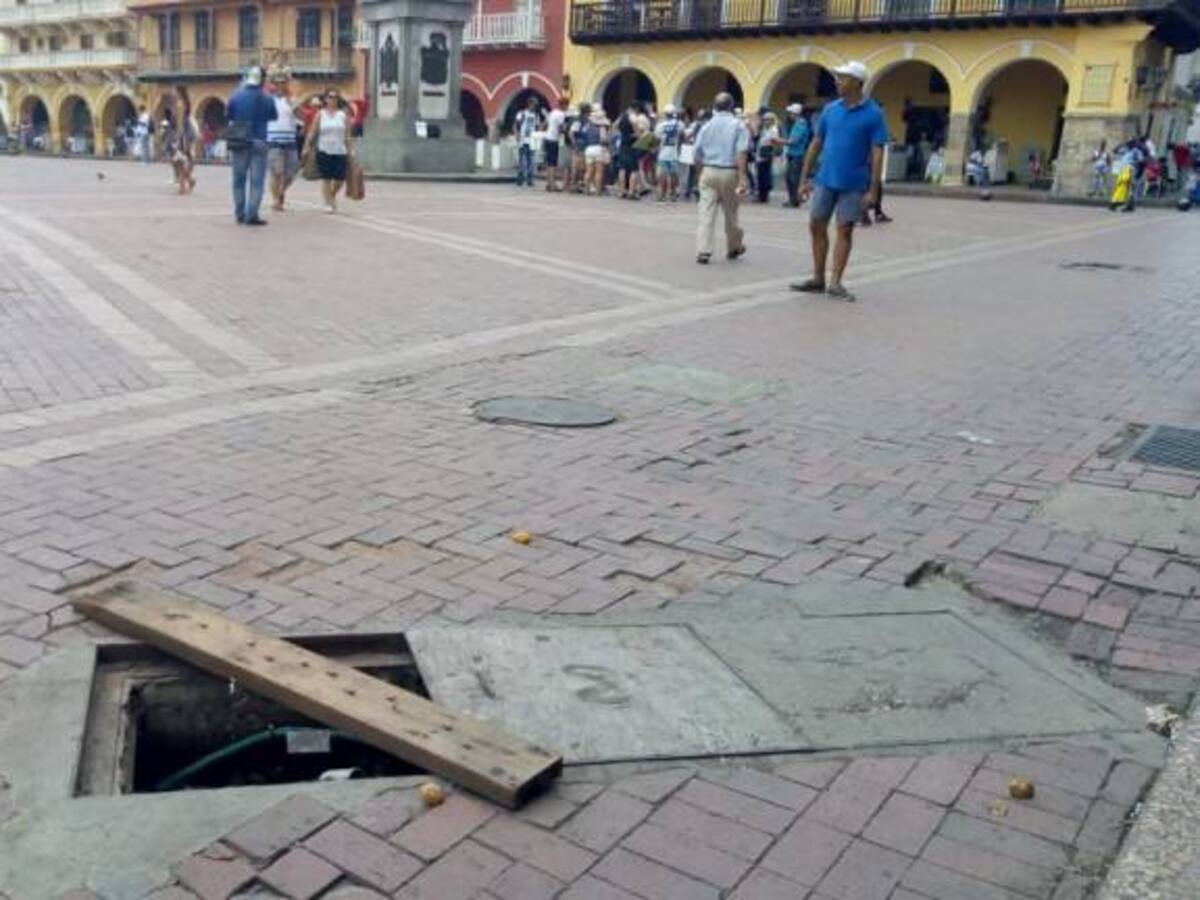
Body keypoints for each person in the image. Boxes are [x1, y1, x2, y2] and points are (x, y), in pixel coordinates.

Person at [793, 61, 888, 301]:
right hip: (825, 179)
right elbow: (816, 143)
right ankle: (818, 277)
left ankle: (835, 281)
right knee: (815, 225)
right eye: (837, 77)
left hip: (854, 183)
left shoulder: (874, 114)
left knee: (844, 230)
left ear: (857, 82)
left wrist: (873, 191)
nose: (837, 81)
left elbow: (877, 153)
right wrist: (804, 178)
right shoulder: (830, 109)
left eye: (843, 77)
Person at [692, 91, 749, 265]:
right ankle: (733, 246)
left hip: (709, 170)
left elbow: (696, 153)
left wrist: (700, 172)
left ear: (714, 106)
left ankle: (703, 251)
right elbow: (741, 152)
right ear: (731, 106)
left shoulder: (706, 126)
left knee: (706, 213)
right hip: (729, 171)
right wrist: (742, 176)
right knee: (731, 213)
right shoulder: (738, 125)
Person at [226, 65, 277, 225]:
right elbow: (273, 116)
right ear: (261, 80)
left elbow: (229, 115)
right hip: (259, 141)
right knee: (256, 182)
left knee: (238, 180)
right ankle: (251, 214)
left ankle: (240, 213)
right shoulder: (267, 97)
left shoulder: (235, 96)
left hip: (240, 141)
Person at [305, 88, 353, 214]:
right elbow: (313, 131)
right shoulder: (320, 114)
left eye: (335, 97)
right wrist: (307, 146)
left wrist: (351, 150)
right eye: (330, 97)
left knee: (340, 179)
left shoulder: (343, 115)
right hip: (324, 149)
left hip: (340, 150)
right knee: (326, 178)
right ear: (325, 99)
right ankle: (328, 203)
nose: (332, 99)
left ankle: (331, 196)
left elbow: (348, 134)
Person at [266, 68, 301, 211]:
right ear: (273, 84)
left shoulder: (292, 100)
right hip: (273, 140)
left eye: (283, 83)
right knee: (277, 172)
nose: (280, 85)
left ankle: (280, 192)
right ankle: (276, 200)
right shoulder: (268, 100)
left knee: (292, 172)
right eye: (277, 83)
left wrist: (294, 106)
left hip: (290, 141)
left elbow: (302, 117)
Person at [168, 85, 197, 195]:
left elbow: (179, 123)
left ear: (178, 92)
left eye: (174, 90)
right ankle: (188, 181)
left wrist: (177, 139)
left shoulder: (180, 104)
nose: (172, 92)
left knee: (179, 160)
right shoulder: (182, 103)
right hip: (184, 134)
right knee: (180, 161)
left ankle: (184, 185)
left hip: (181, 135)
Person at [654, 104, 684, 201]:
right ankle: (673, 193)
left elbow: (657, 139)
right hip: (674, 153)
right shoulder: (679, 124)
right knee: (674, 174)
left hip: (663, 153)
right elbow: (682, 136)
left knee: (662, 175)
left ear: (665, 114)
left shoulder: (660, 126)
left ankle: (662, 194)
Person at [783, 103, 810, 207]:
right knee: (789, 177)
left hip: (797, 154)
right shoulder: (796, 124)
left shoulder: (801, 124)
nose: (789, 115)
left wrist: (780, 141)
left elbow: (794, 141)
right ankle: (792, 199)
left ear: (795, 114)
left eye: (790, 113)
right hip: (792, 153)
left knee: (794, 178)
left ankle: (795, 200)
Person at [755, 111, 782, 204]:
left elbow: (774, 143)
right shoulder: (765, 129)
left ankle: (764, 196)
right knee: (761, 176)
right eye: (764, 120)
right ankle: (761, 195)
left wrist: (772, 154)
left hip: (766, 155)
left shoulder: (773, 130)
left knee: (764, 177)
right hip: (761, 154)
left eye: (767, 120)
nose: (765, 122)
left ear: (771, 121)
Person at [614, 105, 640, 199]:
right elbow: (636, 127)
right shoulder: (632, 116)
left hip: (623, 144)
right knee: (634, 169)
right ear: (634, 109)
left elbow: (615, 125)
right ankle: (631, 191)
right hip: (632, 145)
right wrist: (637, 133)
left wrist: (621, 133)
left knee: (622, 168)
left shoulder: (622, 117)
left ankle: (621, 191)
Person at [543, 97, 568, 192]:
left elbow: (546, 123)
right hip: (554, 139)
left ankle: (549, 183)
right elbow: (561, 128)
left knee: (549, 162)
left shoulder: (553, 112)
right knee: (553, 163)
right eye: (566, 105)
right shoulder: (561, 114)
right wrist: (567, 129)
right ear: (563, 105)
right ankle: (552, 184)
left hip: (547, 137)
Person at [514, 97, 540, 188]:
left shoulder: (536, 116)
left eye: (535, 105)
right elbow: (516, 125)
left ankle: (530, 179)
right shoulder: (522, 114)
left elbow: (537, 127)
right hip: (523, 139)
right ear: (529, 104)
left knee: (531, 161)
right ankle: (520, 178)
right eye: (533, 105)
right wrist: (517, 134)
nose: (534, 107)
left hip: (532, 140)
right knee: (522, 160)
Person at [583, 109, 609, 196]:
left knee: (589, 171)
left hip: (589, 148)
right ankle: (598, 191)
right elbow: (603, 139)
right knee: (599, 171)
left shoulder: (588, 127)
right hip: (598, 148)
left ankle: (586, 190)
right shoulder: (601, 127)